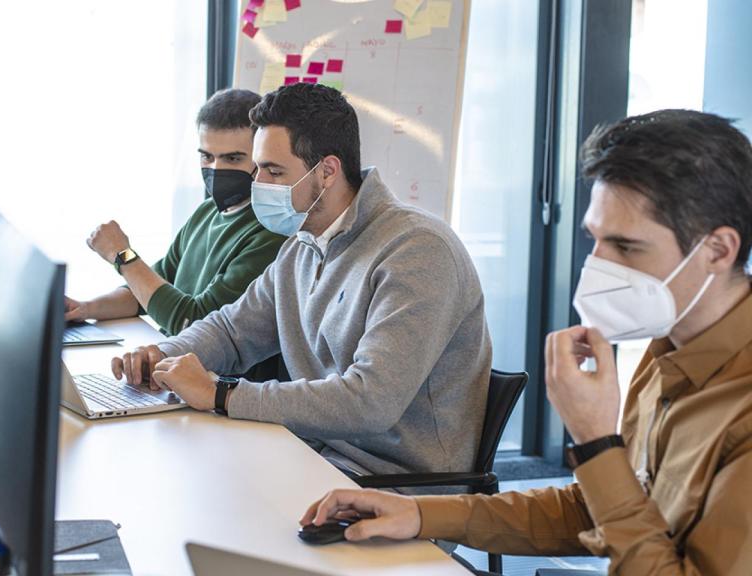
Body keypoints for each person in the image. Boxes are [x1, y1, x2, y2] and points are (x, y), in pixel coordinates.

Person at [302, 110, 752, 574]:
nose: (597, 266)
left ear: (719, 250)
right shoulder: (667, 354)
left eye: (626, 247)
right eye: (595, 241)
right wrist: (419, 514)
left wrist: (597, 443)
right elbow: (597, 509)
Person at [113, 83, 492, 476]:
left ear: (327, 172)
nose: (258, 184)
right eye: (258, 168)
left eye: (274, 171)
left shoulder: (417, 250)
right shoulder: (303, 245)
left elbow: (370, 401)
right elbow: (232, 331)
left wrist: (220, 394)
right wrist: (163, 355)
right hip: (312, 452)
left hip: (389, 483)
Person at [65, 88, 285, 336]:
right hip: (169, 354)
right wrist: (84, 309)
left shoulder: (272, 232)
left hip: (201, 360)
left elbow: (194, 322)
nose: (215, 169)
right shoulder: (206, 212)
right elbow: (146, 291)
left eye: (232, 159)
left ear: (261, 157)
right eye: (207, 157)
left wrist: (122, 256)